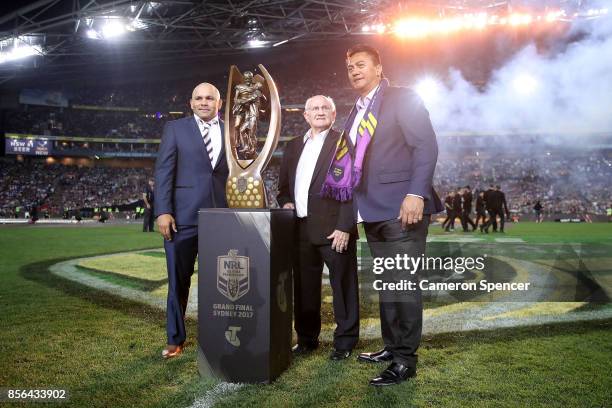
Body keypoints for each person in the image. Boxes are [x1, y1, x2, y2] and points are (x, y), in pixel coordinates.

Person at [322, 44, 442, 386]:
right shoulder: (356, 110)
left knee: (403, 285)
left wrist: (415, 193)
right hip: (372, 210)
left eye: (361, 65)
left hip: (402, 208)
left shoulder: (403, 97)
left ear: (378, 68)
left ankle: (405, 360)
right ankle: (393, 347)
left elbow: (426, 145)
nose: (354, 71)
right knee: (389, 285)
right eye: (350, 67)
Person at [277, 95, 359, 361]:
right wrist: (287, 202)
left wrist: (345, 225)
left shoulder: (344, 141)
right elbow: (283, 190)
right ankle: (306, 339)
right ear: (305, 115)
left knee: (343, 286)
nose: (320, 111)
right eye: (314, 108)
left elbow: (352, 187)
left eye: (326, 108)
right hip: (300, 229)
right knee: (304, 287)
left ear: (334, 115)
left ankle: (345, 342)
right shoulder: (291, 147)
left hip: (334, 229)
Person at [155, 82, 229, 359]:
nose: (204, 102)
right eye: (199, 98)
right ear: (191, 102)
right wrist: (163, 211)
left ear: (219, 103)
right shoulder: (175, 129)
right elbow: (163, 171)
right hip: (182, 218)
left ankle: (217, 336)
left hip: (221, 218)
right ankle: (175, 338)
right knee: (178, 282)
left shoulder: (231, 131)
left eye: (210, 98)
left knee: (219, 283)